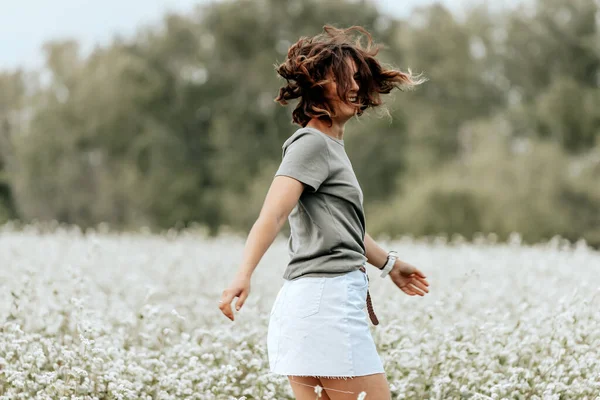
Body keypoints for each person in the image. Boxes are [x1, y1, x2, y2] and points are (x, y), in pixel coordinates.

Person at [219, 25, 430, 400]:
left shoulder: (327, 147)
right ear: (317, 87)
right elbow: (272, 215)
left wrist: (390, 264)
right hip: (326, 304)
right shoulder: (311, 143)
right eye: (342, 79)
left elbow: (344, 229)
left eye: (358, 79)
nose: (354, 88)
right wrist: (243, 274)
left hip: (312, 305)